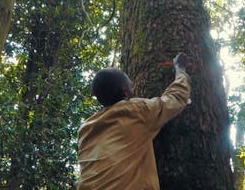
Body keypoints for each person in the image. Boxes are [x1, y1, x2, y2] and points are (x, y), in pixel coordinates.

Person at [76, 53, 191, 189]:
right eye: (131, 87)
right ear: (125, 92)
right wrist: (180, 69)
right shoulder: (135, 111)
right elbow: (176, 97)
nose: (134, 90)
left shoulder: (85, 130)